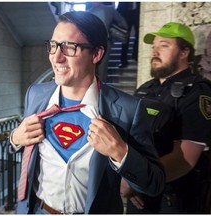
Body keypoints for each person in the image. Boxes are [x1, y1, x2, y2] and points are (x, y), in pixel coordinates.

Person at [10, 11, 165, 214]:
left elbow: (154, 183)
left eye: (69, 47)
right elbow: (23, 146)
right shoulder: (36, 94)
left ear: (96, 54)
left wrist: (120, 151)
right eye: (54, 45)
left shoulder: (128, 109)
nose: (56, 57)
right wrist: (15, 138)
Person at [121, 22, 211, 213]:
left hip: (173, 202)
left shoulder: (197, 92)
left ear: (184, 52)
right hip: (138, 198)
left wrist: (137, 180)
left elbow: (185, 159)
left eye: (164, 45)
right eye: (154, 47)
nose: (155, 52)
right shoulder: (145, 89)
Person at [87, 2, 128, 82]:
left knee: (102, 70)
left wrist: (121, 30)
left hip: (105, 43)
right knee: (91, 69)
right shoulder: (88, 12)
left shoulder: (109, 10)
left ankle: (101, 91)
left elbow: (121, 21)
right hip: (91, 44)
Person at [117, 2, 140, 68]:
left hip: (137, 14)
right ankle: (123, 61)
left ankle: (135, 55)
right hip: (126, 14)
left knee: (138, 35)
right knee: (125, 38)